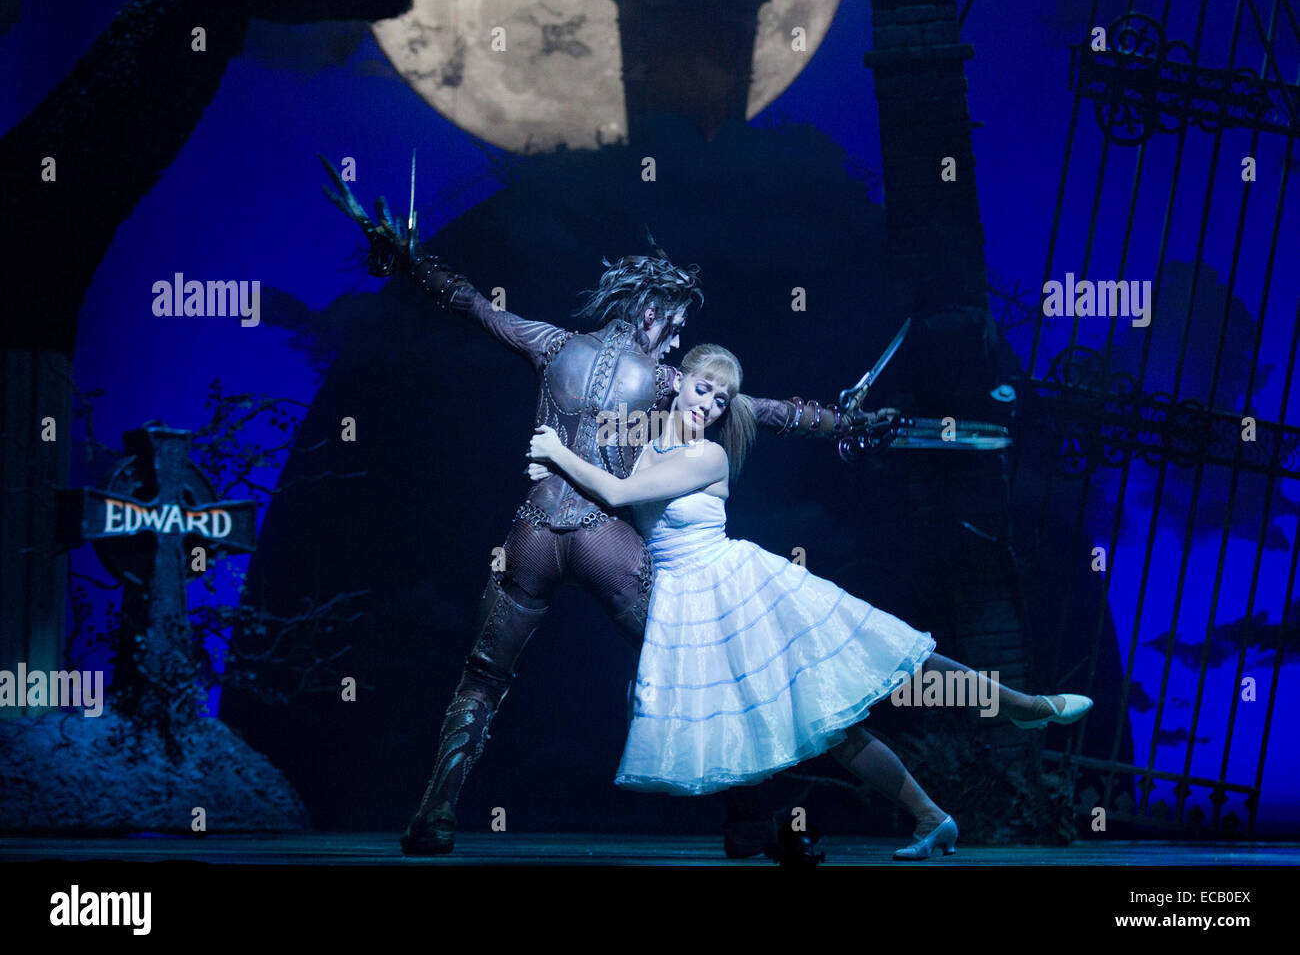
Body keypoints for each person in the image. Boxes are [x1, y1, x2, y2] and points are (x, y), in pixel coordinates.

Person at [319, 156, 898, 856]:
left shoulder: (552, 343)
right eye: (677, 324)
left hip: (532, 530)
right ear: (651, 312)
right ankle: (751, 821)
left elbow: (471, 303)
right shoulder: (657, 377)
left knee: (483, 674)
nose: (679, 340)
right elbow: (762, 410)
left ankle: (433, 817)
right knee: (700, 661)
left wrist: (409, 262)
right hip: (601, 536)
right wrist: (844, 423)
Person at [527, 343, 1093, 860]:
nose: (710, 404)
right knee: (832, 727)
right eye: (702, 388)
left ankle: (1026, 706)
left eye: (721, 398)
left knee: (893, 659)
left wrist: (556, 451)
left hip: (740, 587)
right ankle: (932, 818)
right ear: (678, 383)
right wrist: (551, 464)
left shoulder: (707, 458)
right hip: (692, 605)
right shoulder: (649, 446)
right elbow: (604, 478)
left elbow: (619, 493)